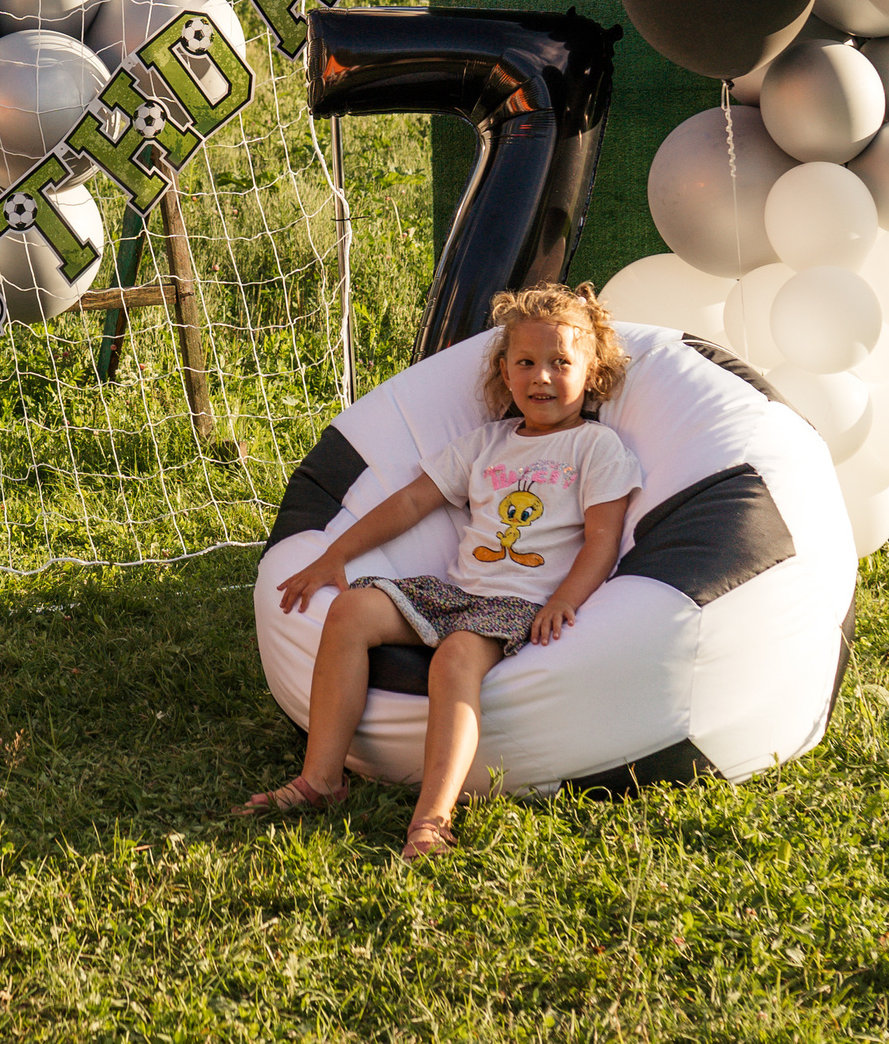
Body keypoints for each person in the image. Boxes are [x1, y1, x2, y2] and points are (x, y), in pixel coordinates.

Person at [238, 284, 641, 858]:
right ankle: (320, 781)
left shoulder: (595, 448)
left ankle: (432, 819)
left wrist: (564, 600)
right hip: (454, 590)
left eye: (560, 363)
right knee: (351, 608)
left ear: (592, 371)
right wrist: (335, 555)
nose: (541, 378)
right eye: (525, 363)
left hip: (519, 604)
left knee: (456, 654)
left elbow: (602, 542)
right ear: (504, 371)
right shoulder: (487, 442)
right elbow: (409, 503)